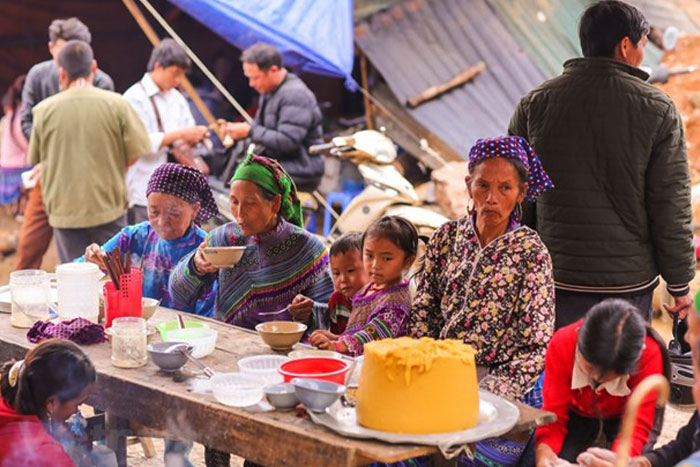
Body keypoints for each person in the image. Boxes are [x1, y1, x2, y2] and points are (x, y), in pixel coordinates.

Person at [508, 0, 695, 329]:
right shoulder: (657, 109)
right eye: (642, 43)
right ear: (625, 46)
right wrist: (679, 286)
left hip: (556, 278)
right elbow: (669, 203)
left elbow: (516, 195)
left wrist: (522, 266)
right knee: (618, 375)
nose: (643, 53)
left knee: (564, 370)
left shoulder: (534, 104)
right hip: (626, 285)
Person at [409, 136, 555, 466]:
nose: (491, 198)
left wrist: (486, 395)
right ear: (468, 184)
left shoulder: (531, 253)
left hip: (502, 387)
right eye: (482, 185)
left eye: (505, 188)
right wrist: (423, 367)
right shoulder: (446, 237)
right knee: (395, 452)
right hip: (440, 375)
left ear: (521, 193)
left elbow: (535, 348)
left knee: (461, 461)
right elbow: (424, 310)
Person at [169, 154, 334, 330]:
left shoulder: (308, 249)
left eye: (250, 203)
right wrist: (195, 266)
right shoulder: (222, 239)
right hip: (229, 342)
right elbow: (178, 295)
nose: (239, 213)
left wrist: (309, 313)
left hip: (286, 349)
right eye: (234, 201)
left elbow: (333, 316)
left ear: (275, 203)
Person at [28, 40, 150, 264]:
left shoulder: (43, 110)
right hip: (108, 206)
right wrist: (113, 169)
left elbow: (38, 158)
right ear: (94, 67)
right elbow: (135, 153)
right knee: (114, 276)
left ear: (61, 73)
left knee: (74, 278)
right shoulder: (118, 104)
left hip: (65, 211)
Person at [16, 17, 114, 270]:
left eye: (77, 46)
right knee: (28, 248)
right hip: (47, 176)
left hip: (87, 181)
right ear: (51, 48)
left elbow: (105, 135)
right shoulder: (38, 75)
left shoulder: (102, 81)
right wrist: (51, 159)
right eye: (64, 46)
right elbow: (26, 121)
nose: (72, 53)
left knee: (93, 254)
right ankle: (20, 301)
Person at [535, 299, 669, 466]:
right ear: (579, 337)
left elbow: (636, 427)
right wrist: (545, 451)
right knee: (563, 455)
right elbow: (553, 416)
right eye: (590, 368)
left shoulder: (649, 354)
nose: (597, 379)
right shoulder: (563, 342)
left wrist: (620, 460)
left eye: (610, 376)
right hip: (576, 413)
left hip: (623, 417)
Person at [79, 163, 218, 315]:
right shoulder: (135, 236)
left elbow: (208, 315)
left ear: (195, 209)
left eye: (173, 213)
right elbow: (80, 269)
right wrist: (92, 260)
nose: (162, 222)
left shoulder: (207, 250)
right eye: (154, 211)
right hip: (139, 325)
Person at [123, 39, 210, 224]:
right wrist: (181, 135)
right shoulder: (134, 97)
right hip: (145, 187)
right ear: (158, 66)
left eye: (182, 75)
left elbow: (188, 128)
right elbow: (137, 145)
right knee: (148, 248)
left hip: (179, 189)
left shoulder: (176, 98)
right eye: (175, 74)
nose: (178, 80)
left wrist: (195, 136)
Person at [222, 42, 325, 192]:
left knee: (247, 178)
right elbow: (260, 128)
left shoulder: (295, 94)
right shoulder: (269, 91)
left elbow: (288, 141)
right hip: (280, 163)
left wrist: (250, 131)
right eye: (249, 78)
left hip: (302, 167)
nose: (251, 84)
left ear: (273, 70)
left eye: (255, 78)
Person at [309, 216, 415, 356]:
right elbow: (357, 332)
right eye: (369, 256)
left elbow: (372, 336)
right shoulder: (370, 288)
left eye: (386, 258)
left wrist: (336, 346)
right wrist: (335, 338)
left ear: (408, 261)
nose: (375, 265)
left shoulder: (395, 302)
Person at [0, 339, 96, 466]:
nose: (76, 411)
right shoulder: (47, 454)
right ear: (51, 403)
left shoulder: (7, 406)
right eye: (77, 404)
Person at [325, 232, 369, 335]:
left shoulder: (378, 301)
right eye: (336, 273)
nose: (343, 279)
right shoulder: (336, 300)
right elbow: (336, 334)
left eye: (350, 271)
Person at [0, 75, 29, 207]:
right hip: (19, 170)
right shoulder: (24, 116)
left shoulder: (9, 116)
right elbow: (29, 146)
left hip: (5, 168)